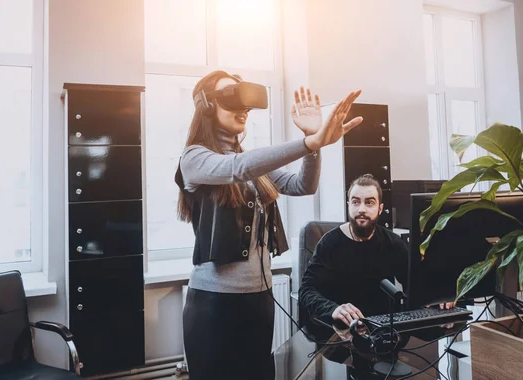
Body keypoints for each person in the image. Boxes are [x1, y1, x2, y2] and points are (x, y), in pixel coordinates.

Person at [175, 70, 363, 380]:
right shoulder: (194, 159)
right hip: (213, 305)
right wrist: (308, 141)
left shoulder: (252, 162)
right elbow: (236, 168)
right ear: (207, 106)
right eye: (230, 98)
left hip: (259, 300)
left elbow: (303, 185)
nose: (243, 109)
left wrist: (314, 147)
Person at [299, 174, 454, 338]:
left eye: (369, 202)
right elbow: (307, 290)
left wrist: (439, 296)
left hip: (384, 332)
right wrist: (333, 309)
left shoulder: (392, 243)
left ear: (380, 208)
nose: (362, 209)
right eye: (355, 202)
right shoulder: (329, 243)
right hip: (341, 334)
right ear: (348, 206)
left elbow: (414, 283)